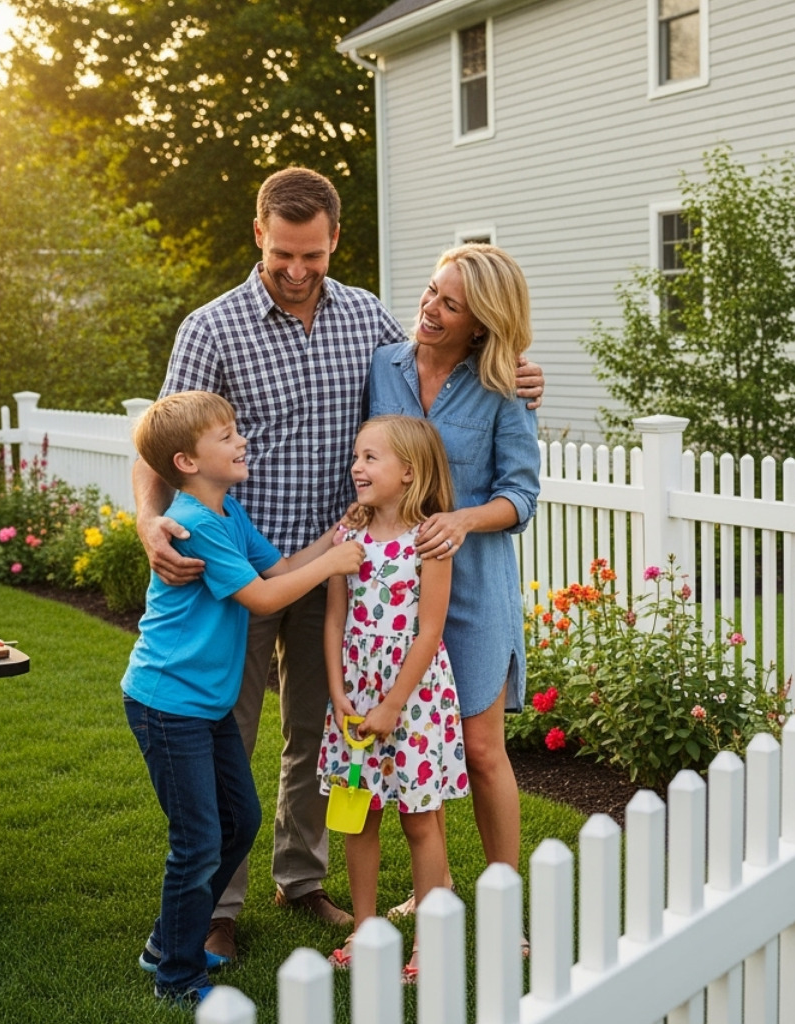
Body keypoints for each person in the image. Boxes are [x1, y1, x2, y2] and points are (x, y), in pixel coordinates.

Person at [133, 168, 543, 963]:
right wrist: (150, 521)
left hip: (348, 574)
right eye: (284, 251)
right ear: (259, 234)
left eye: (312, 254)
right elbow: (161, 436)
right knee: (233, 728)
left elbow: (473, 405)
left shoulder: (367, 321)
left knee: (318, 735)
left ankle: (303, 877)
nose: (296, 269)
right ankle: (220, 903)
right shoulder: (213, 328)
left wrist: (520, 372)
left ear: (334, 243)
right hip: (250, 571)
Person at [121, 391, 364, 1005]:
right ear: (186, 461)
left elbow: (280, 570)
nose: (241, 441)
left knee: (242, 821)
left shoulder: (227, 512)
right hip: (168, 704)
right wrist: (335, 561)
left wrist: (338, 536)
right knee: (198, 838)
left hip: (204, 705)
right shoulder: (196, 524)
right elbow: (261, 599)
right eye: (225, 436)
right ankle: (177, 976)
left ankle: (164, 941)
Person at [367, 244, 540, 918]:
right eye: (432, 292)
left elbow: (521, 496)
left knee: (480, 748)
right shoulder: (381, 366)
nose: (430, 310)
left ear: (482, 323)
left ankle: (504, 903)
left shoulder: (503, 388)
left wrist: (465, 519)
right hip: (393, 595)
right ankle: (430, 891)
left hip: (474, 591)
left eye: (450, 304)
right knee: (415, 743)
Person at [318, 416, 465, 981]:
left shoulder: (430, 540)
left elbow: (429, 631)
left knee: (420, 817)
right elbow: (335, 621)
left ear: (409, 471)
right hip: (355, 694)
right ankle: (366, 927)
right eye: (356, 456)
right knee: (359, 814)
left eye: (371, 457)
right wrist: (338, 692)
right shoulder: (346, 538)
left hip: (413, 697)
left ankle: (430, 940)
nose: (357, 467)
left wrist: (392, 704)